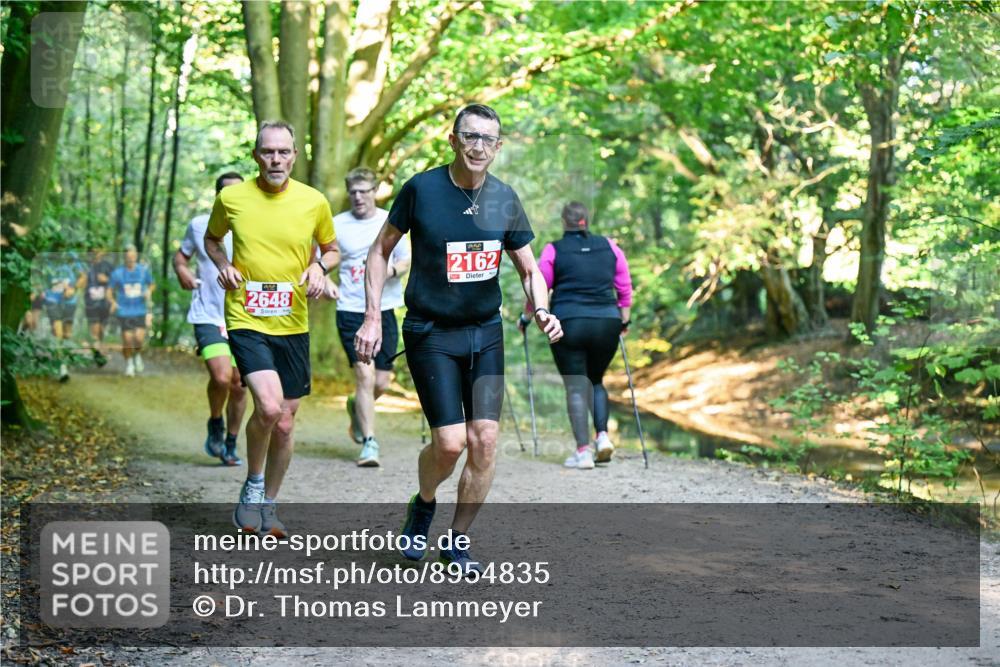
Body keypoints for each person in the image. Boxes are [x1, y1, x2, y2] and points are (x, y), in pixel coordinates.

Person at [355, 103, 562, 573]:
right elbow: (379, 251)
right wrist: (372, 316)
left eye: (488, 139)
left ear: (498, 147)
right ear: (453, 140)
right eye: (470, 137)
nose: (478, 147)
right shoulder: (422, 190)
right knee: (449, 443)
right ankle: (424, 503)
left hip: (485, 334)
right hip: (431, 333)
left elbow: (529, 270)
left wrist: (543, 308)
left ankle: (457, 541)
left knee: (484, 439)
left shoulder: (503, 199)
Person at [206, 120, 338, 538]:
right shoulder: (232, 198)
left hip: (293, 322)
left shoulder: (313, 201)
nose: (275, 159)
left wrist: (318, 266)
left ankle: (269, 504)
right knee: (267, 406)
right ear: (255, 155)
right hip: (246, 317)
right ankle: (253, 484)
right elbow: (212, 240)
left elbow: (332, 250)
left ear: (295, 155)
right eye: (268, 151)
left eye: (283, 152)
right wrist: (223, 265)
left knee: (284, 422)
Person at [520, 201, 633, 469]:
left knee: (575, 385)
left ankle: (583, 453)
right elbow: (625, 289)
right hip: (607, 322)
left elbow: (539, 287)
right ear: (586, 220)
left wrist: (527, 318)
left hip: (569, 322)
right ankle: (602, 437)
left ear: (564, 222)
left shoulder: (553, 250)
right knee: (596, 380)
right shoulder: (610, 247)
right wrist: (624, 323)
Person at [333, 167, 411, 467]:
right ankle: (369, 442)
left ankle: (356, 407)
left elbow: (405, 259)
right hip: (351, 310)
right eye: (353, 192)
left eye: (364, 191)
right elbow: (324, 257)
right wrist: (321, 278)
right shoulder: (337, 224)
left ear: (374, 192)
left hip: (386, 308)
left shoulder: (389, 220)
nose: (358, 197)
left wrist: (387, 272)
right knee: (364, 376)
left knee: (380, 381)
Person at [173, 172, 249, 466]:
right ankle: (215, 422)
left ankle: (231, 441)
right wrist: (183, 272)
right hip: (208, 313)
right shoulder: (199, 225)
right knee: (221, 377)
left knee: (239, 383)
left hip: (244, 315)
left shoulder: (255, 227)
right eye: (227, 193)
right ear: (218, 197)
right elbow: (181, 257)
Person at [109, 245, 154, 377]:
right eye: (128, 257)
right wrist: (112, 302)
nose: (131, 259)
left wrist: (148, 291)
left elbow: (152, 284)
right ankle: (129, 364)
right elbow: (109, 291)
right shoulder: (117, 273)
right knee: (127, 340)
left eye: (133, 256)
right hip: (124, 311)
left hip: (140, 310)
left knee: (139, 339)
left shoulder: (143, 271)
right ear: (125, 258)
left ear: (136, 256)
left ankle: (138, 354)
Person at [43, 254, 85, 381]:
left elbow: (83, 277)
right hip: (52, 300)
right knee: (58, 333)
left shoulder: (72, 256)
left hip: (69, 302)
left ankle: (63, 359)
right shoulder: (46, 257)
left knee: (67, 335)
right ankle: (62, 367)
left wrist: (74, 288)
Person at [83, 248, 113, 367]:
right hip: (91, 303)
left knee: (101, 330)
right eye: (93, 250)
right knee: (94, 330)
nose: (96, 253)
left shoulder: (108, 266)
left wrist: (106, 280)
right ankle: (98, 355)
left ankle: (97, 349)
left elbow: (117, 282)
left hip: (104, 303)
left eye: (99, 250)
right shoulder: (85, 266)